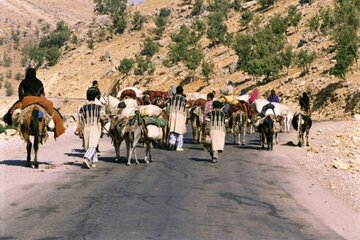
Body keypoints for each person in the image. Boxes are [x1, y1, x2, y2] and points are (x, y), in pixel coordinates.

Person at [3, 68, 65, 138]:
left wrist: (21, 101)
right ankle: (56, 128)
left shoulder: (24, 82)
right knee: (53, 109)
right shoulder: (39, 82)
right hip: (40, 100)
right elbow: (42, 94)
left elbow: (21, 95)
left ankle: (9, 122)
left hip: (27, 100)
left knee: (12, 109)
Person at [78, 88, 103, 168]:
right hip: (95, 126)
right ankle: (86, 158)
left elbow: (80, 119)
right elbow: (102, 117)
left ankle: (94, 161)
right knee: (93, 145)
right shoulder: (97, 106)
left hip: (86, 127)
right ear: (95, 97)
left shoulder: (82, 108)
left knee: (90, 144)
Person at [168, 85, 187, 151]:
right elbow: (185, 109)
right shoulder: (184, 99)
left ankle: (172, 142)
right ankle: (179, 146)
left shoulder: (171, 98)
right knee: (180, 130)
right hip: (180, 115)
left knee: (173, 129)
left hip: (172, 114)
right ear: (182, 92)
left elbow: (169, 107)